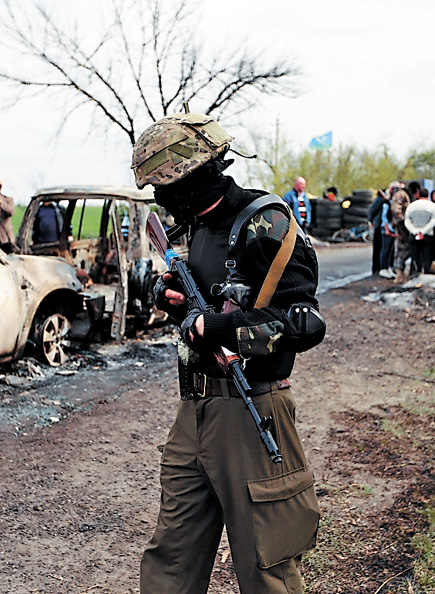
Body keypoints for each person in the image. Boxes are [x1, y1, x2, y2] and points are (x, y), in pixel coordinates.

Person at [131, 112, 325, 594]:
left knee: (266, 571)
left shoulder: (265, 223)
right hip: (193, 412)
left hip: (252, 411)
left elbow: (304, 325)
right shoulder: (196, 225)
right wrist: (172, 300)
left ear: (195, 176)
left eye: (166, 188)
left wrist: (217, 326)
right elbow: (200, 302)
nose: (162, 201)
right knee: (170, 561)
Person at [405, 188, 435, 275]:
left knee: (415, 257)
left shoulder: (411, 206)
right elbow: (434, 221)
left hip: (414, 234)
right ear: (428, 195)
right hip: (428, 235)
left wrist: (415, 231)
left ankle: (415, 274)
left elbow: (407, 221)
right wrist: (423, 231)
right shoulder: (432, 206)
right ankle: (426, 274)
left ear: (418, 195)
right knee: (427, 256)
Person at [390, 184, 412, 281]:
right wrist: (403, 221)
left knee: (401, 249)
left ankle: (400, 272)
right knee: (402, 249)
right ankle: (400, 273)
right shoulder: (401, 194)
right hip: (402, 226)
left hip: (400, 225)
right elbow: (396, 210)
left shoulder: (398, 195)